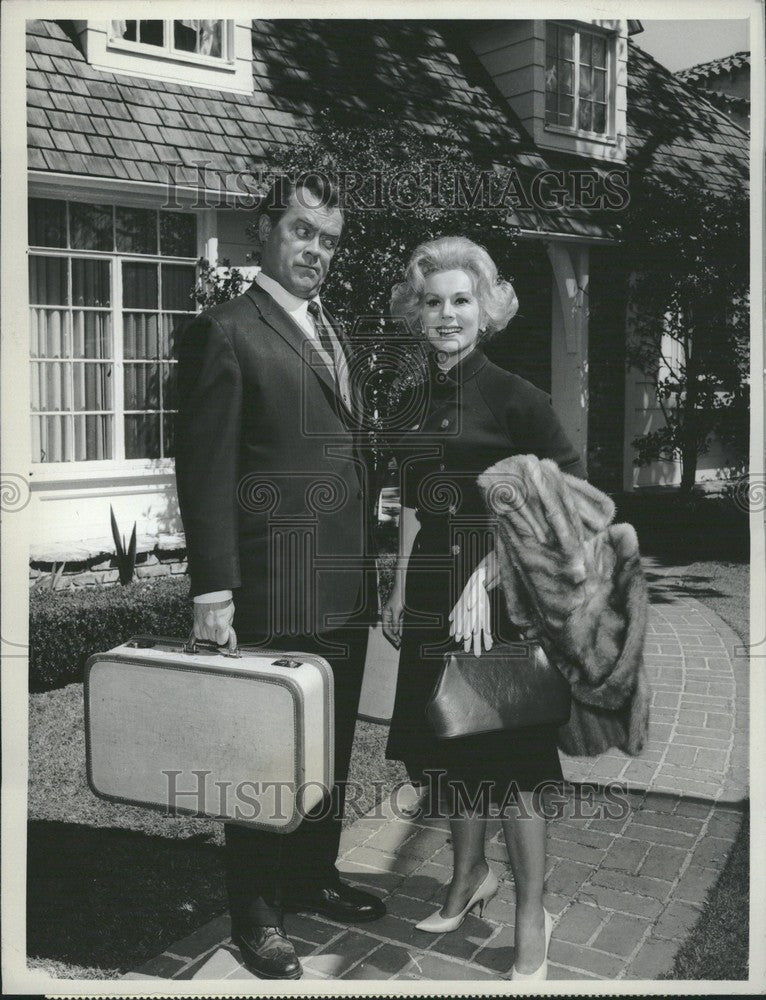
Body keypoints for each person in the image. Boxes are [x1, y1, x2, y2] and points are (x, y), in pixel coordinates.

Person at [174, 174, 384, 981]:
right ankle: (258, 915)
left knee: (328, 750)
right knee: (263, 754)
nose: (316, 253)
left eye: (328, 240)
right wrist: (212, 591)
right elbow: (205, 468)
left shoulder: (335, 332)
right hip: (267, 589)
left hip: (342, 586)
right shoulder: (225, 331)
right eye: (302, 232)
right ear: (265, 230)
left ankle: (314, 876)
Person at [382, 235, 585, 981]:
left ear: (487, 307)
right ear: (417, 311)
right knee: (451, 743)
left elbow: (566, 487)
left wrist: (496, 566)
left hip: (498, 592)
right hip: (436, 586)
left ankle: (533, 916)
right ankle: (469, 878)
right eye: (433, 301)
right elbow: (412, 499)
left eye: (461, 300)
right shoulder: (414, 399)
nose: (446, 314)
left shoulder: (514, 395)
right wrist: (403, 584)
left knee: (516, 763)